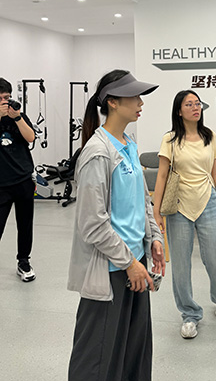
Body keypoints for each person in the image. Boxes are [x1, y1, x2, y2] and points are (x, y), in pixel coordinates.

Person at [67, 70, 165, 381]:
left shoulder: (129, 144)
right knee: (97, 358)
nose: (140, 103)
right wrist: (129, 264)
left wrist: (154, 238)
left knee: (134, 352)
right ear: (112, 102)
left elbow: (143, 200)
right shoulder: (98, 153)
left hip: (135, 262)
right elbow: (93, 224)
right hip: (111, 269)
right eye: (134, 97)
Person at [153, 89, 216, 339]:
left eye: (198, 103)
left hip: (207, 202)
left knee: (215, 258)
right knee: (181, 263)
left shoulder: (210, 136)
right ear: (179, 111)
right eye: (189, 104)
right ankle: (189, 314)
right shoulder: (170, 140)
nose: (196, 108)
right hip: (179, 206)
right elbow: (162, 176)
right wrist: (156, 211)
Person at [0, 77, 36, 282]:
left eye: (7, 97)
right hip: (1, 185)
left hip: (23, 180)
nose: (4, 102)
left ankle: (23, 261)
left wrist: (17, 118)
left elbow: (30, 137)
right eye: (0, 99)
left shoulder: (18, 116)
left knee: (25, 225)